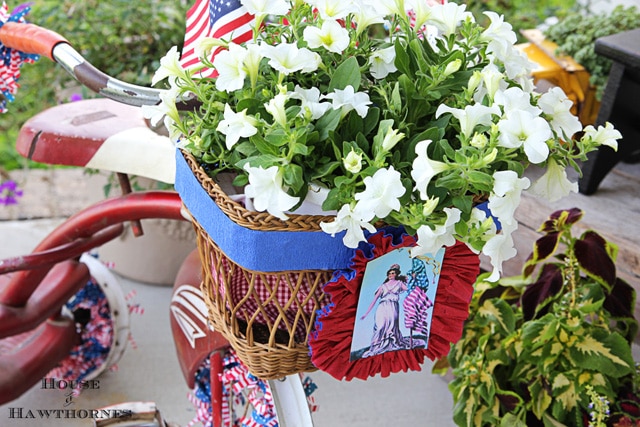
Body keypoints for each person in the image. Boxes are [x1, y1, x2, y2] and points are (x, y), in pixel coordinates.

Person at [360, 264, 412, 357]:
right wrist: (366, 313)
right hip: (382, 307)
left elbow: (410, 289)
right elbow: (374, 300)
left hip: (393, 306)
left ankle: (390, 343)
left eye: (392, 273)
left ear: (396, 274)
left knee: (391, 327)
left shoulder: (400, 283)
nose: (390, 275)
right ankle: (377, 345)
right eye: (389, 273)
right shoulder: (383, 286)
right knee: (380, 326)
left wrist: (410, 279)